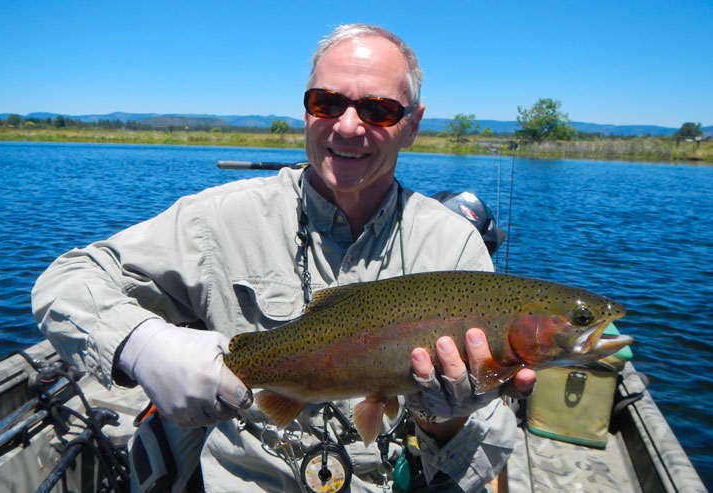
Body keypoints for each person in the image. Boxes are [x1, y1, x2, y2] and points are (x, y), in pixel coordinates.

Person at [32, 23, 535, 492]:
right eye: (327, 103)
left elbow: (483, 450)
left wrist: (443, 420)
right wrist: (141, 344)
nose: (349, 126)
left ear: (412, 125)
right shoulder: (221, 219)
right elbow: (67, 279)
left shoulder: (453, 246)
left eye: (379, 110)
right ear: (306, 111)